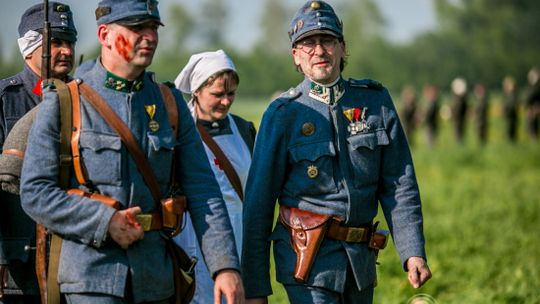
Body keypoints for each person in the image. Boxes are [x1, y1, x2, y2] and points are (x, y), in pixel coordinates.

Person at [19, 0, 244, 303]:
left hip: (157, 280)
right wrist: (104, 221)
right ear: (104, 35)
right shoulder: (66, 101)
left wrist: (225, 266)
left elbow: (203, 190)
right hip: (91, 278)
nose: (149, 37)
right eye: (137, 28)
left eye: (153, 28)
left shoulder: (169, 103)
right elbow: (35, 191)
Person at [241, 1, 431, 303]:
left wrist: (413, 252)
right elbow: (258, 205)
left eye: (327, 40)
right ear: (296, 57)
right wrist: (254, 287)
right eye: (308, 43)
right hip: (307, 266)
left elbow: (399, 183)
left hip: (361, 264)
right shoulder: (283, 113)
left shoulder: (376, 102)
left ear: (342, 48)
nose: (319, 50)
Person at [0, 2, 77, 302]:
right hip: (19, 259)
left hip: (75, 258)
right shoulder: (7, 99)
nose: (67, 51)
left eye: (70, 42)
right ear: (30, 47)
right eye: (56, 42)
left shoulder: (85, 99)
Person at [173, 50, 256, 304]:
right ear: (196, 91)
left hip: (241, 233)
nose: (226, 101)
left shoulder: (244, 129)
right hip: (194, 234)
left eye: (231, 94)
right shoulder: (177, 130)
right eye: (218, 94)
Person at [450, 77, 469, 144]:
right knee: (459, 134)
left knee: (458, 134)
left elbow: (457, 110)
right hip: (459, 120)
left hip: (458, 120)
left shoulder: (459, 100)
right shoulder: (462, 99)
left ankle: (459, 144)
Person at [501, 76, 519, 142]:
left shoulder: (512, 95)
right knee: (509, 133)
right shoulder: (508, 95)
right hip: (509, 117)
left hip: (511, 117)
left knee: (511, 133)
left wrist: (506, 111)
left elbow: (511, 106)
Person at [525, 67, 540, 141]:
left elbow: (534, 97)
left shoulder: (536, 86)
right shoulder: (531, 86)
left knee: (533, 125)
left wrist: (536, 107)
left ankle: (534, 139)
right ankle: (533, 140)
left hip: (534, 107)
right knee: (530, 125)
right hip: (530, 107)